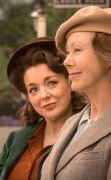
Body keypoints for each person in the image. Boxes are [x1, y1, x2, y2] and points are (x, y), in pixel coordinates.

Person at [0, 37, 86, 180]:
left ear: (70, 81)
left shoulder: (86, 138)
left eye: (52, 83)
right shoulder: (15, 140)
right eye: (33, 89)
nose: (43, 95)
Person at [41, 6, 111, 180]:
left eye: (77, 50)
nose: (66, 61)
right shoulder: (72, 123)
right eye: (68, 52)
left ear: (107, 55)